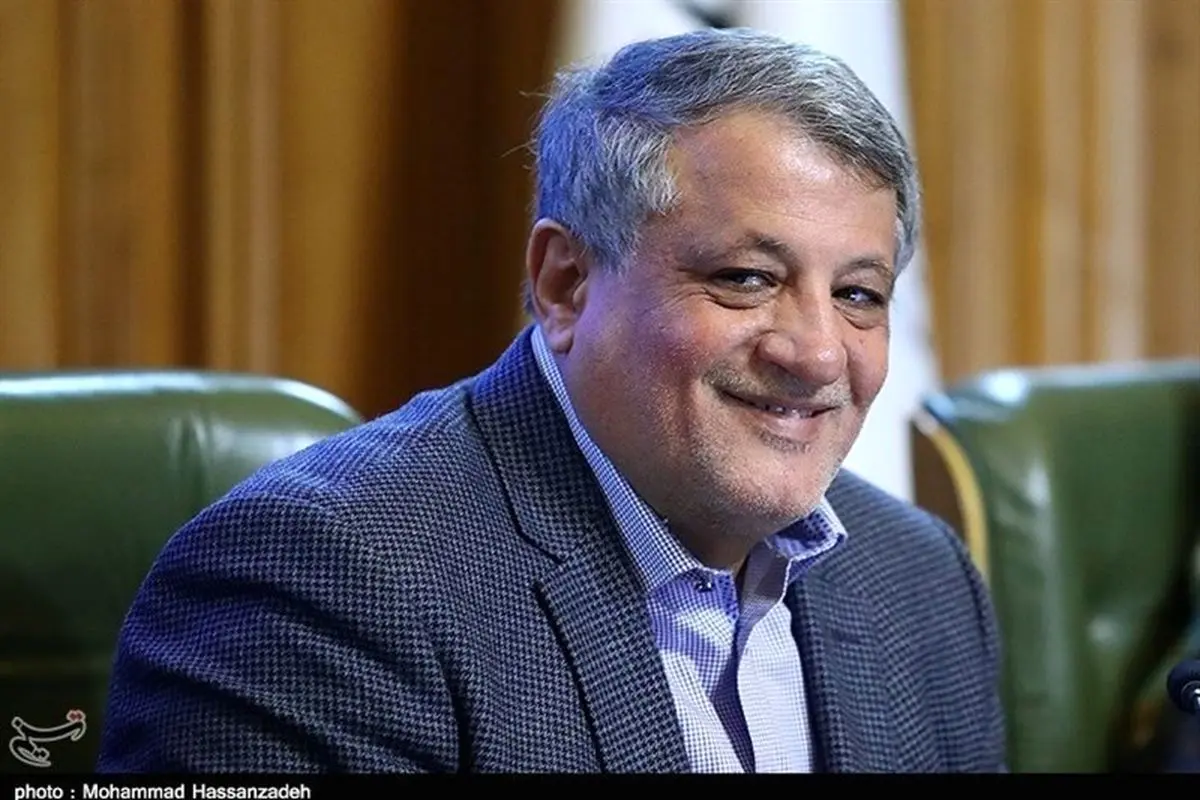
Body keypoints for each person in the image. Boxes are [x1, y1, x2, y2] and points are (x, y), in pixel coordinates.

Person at [97, 28, 1006, 773]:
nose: (815, 352)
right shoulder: (325, 577)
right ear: (566, 283)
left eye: (858, 294)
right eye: (746, 277)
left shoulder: (919, 581)